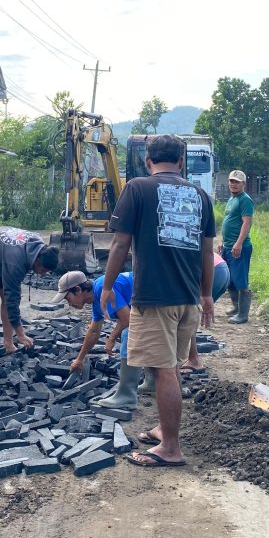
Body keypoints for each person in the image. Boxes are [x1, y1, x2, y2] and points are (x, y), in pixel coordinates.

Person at [100, 134, 215, 468]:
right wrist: (206, 295)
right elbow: (208, 251)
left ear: (148, 161)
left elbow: (120, 244)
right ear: (182, 162)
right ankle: (166, 432)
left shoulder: (137, 188)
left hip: (154, 297)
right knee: (171, 368)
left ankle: (171, 448)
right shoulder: (202, 196)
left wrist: (107, 286)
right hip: (187, 298)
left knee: (161, 370)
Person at [139, 249, 230, 394]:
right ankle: (191, 360)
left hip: (210, 271)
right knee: (189, 316)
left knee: (187, 316)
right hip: (220, 269)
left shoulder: (156, 264)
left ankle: (192, 361)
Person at [56, 269, 138, 409]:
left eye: (67, 298)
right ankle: (151, 383)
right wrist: (79, 359)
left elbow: (127, 318)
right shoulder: (96, 299)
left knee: (129, 335)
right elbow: (94, 331)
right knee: (136, 333)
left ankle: (127, 395)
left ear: (77, 289)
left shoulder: (101, 288)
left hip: (161, 299)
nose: (69, 304)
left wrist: (111, 338)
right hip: (150, 303)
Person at [0, 226, 59, 353]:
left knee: (5, 300)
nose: (43, 274)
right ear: (38, 262)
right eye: (43, 271)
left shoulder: (39, 247)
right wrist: (21, 334)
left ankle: (8, 343)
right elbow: (12, 299)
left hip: (0, 258)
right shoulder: (16, 262)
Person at [221, 169, 255, 324]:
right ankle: (236, 307)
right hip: (228, 246)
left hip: (239, 247)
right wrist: (223, 241)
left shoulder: (245, 200)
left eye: (237, 182)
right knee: (230, 279)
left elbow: (247, 222)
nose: (233, 184)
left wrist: (238, 243)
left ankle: (243, 314)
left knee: (241, 280)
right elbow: (229, 220)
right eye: (231, 181)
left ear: (243, 184)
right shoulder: (232, 199)